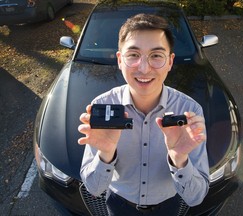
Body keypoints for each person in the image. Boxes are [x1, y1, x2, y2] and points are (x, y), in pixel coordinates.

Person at [78, 13, 209, 216]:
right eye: (133, 55)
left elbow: (196, 197)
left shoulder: (189, 111)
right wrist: (106, 155)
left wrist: (179, 159)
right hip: (119, 205)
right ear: (120, 60)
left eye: (156, 55)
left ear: (170, 62)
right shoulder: (103, 105)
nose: (144, 68)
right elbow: (94, 189)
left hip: (168, 207)